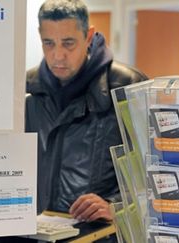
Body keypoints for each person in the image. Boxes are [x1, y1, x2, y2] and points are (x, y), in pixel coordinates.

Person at [25, 0, 147, 239]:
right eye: (48, 43)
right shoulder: (28, 89)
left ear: (89, 36)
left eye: (68, 43)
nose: (58, 55)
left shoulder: (127, 86)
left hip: (101, 236)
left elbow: (154, 170)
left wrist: (116, 206)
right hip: (39, 235)